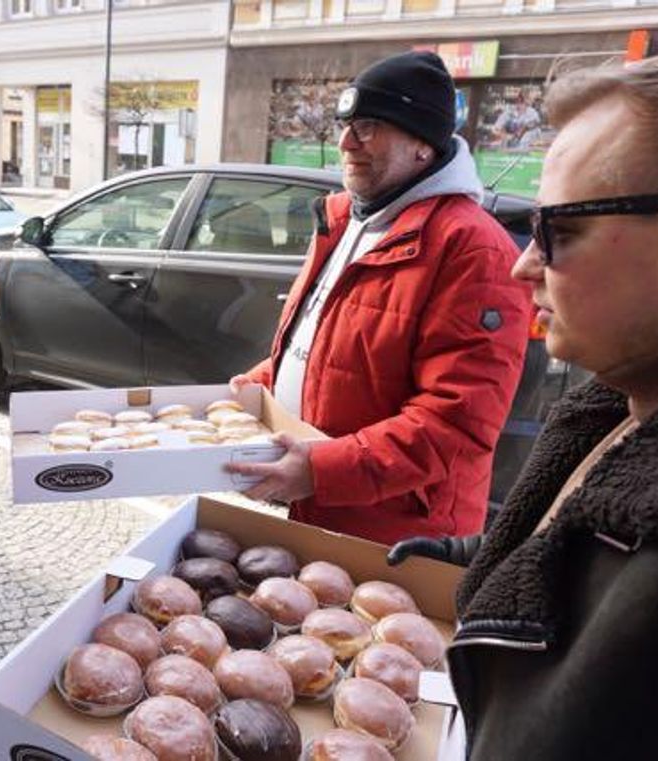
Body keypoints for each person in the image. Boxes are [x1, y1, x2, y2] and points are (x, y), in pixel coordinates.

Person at [399, 53, 658, 760]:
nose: (523, 263)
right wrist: (483, 554)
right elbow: (576, 549)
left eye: (560, 230)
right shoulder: (617, 404)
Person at [226, 51, 532, 545]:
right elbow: (334, 350)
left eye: (368, 127)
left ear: (422, 146)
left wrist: (322, 470)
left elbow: (457, 423)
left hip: (397, 533)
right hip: (326, 506)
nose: (346, 142)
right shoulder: (347, 219)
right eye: (346, 124)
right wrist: (264, 382)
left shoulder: (473, 247)